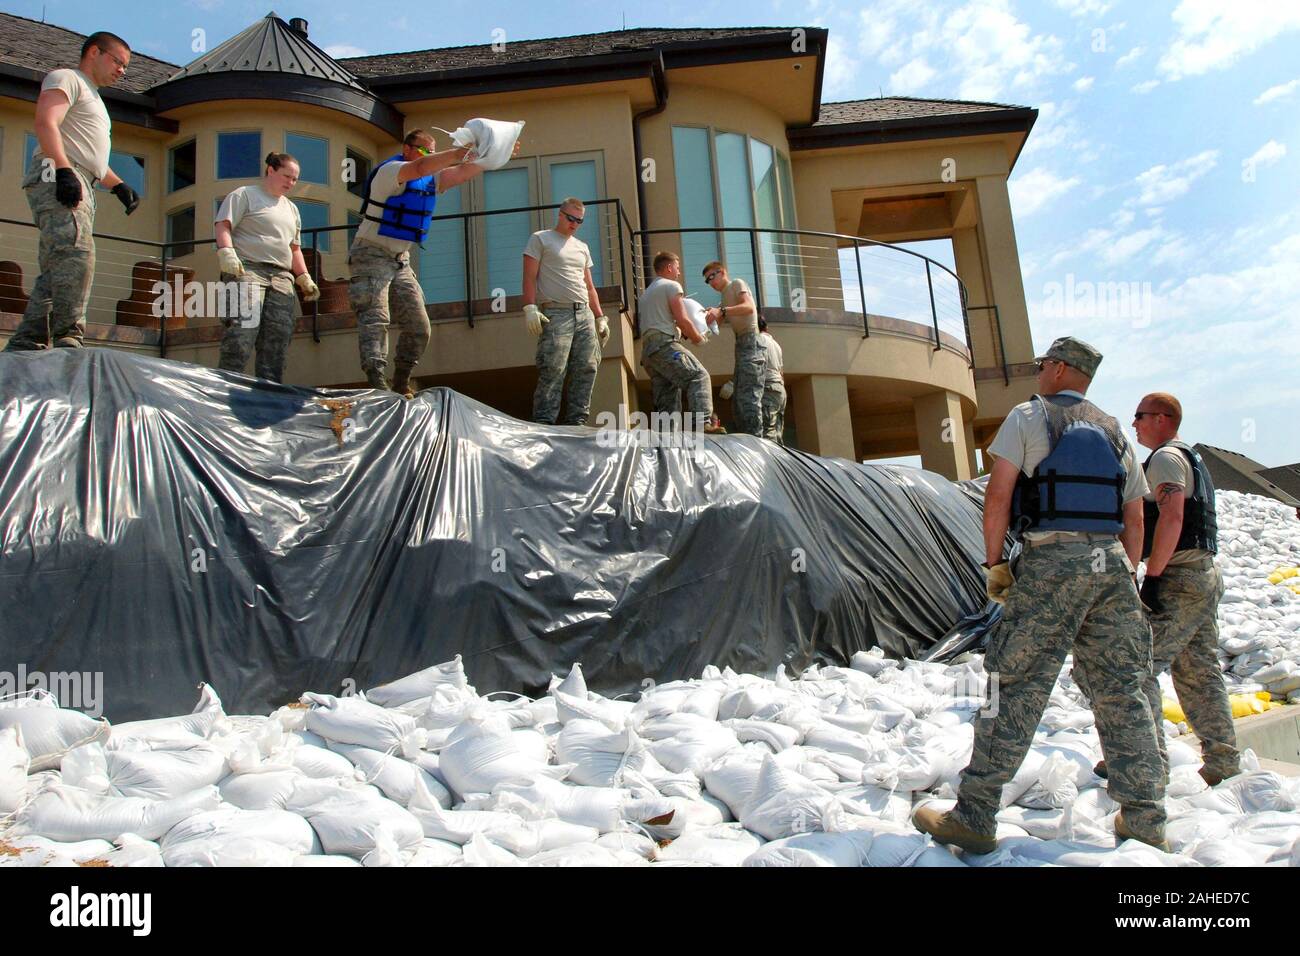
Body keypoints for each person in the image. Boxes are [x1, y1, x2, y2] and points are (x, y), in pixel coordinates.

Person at [913, 336, 1168, 853]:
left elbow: (999, 495)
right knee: (1124, 689)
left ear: (1057, 368)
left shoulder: (1029, 417)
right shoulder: (1115, 429)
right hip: (1113, 566)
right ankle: (1145, 819)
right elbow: (1135, 515)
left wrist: (996, 567)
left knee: (1016, 685)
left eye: (1042, 365)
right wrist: (1125, 577)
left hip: (1052, 562)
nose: (1038, 373)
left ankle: (976, 816)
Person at [1123, 392, 1239, 785]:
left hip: (1179, 578)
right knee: (1199, 672)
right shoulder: (1190, 457)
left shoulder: (1166, 459)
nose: (1134, 424)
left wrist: (1152, 578)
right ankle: (1223, 762)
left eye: (1139, 416)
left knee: (1136, 669)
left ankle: (1145, 761)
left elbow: (1171, 517)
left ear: (1161, 418)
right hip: (1203, 575)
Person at [5, 31, 140, 352]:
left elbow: (89, 154)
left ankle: (28, 339)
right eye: (118, 62)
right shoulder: (67, 78)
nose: (122, 70)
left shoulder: (95, 98)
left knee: (58, 266)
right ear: (94, 52)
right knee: (78, 255)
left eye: (126, 66)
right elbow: (46, 123)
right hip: (59, 173)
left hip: (79, 177)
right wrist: (63, 170)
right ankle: (69, 334)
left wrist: (117, 184)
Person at [351, 129, 495, 397]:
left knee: (419, 326)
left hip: (400, 260)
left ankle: (401, 380)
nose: (431, 155)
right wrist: (455, 153)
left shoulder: (428, 180)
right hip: (370, 253)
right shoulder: (392, 171)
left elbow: (460, 173)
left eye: (434, 150)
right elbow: (419, 166)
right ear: (407, 149)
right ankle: (376, 384)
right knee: (375, 320)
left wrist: (492, 156)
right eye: (425, 150)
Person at [212, 153, 319, 383]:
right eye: (287, 176)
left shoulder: (292, 209)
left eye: (295, 179)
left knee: (278, 338)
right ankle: (225, 387)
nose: (290, 182)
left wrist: (303, 277)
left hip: (281, 277)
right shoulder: (245, 195)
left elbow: (294, 249)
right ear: (270, 170)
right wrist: (226, 252)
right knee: (242, 332)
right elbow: (223, 225)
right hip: (247, 270)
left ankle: (270, 393)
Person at [523, 199, 608, 425]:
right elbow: (529, 277)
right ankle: (544, 422)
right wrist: (529, 307)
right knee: (553, 368)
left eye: (579, 221)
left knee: (588, 366)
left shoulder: (582, 247)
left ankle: (577, 422)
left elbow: (589, 286)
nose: (574, 224)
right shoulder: (540, 238)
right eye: (571, 218)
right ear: (560, 214)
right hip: (556, 312)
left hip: (583, 313)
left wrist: (600, 317)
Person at [636, 251, 723, 433]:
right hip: (664, 345)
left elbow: (662, 323)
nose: (679, 272)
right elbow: (682, 319)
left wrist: (682, 332)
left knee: (667, 399)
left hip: (649, 353)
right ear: (668, 267)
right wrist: (698, 339)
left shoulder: (646, 295)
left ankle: (665, 442)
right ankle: (702, 425)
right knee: (698, 376)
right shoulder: (672, 286)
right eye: (677, 267)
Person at [702, 262, 766, 436]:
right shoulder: (724, 296)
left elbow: (749, 307)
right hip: (741, 344)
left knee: (749, 399)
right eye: (707, 281)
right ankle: (748, 439)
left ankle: (756, 441)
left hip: (752, 341)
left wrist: (721, 310)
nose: (710, 282)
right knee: (739, 400)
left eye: (712, 277)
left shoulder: (737, 284)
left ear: (722, 272)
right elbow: (717, 322)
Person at [758, 317, 786, 444]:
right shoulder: (776, 345)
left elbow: (757, 365)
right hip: (780, 389)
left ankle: (770, 462)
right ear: (766, 327)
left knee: (767, 433)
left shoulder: (758, 340)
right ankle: (780, 462)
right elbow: (781, 372)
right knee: (777, 435)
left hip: (769, 388)